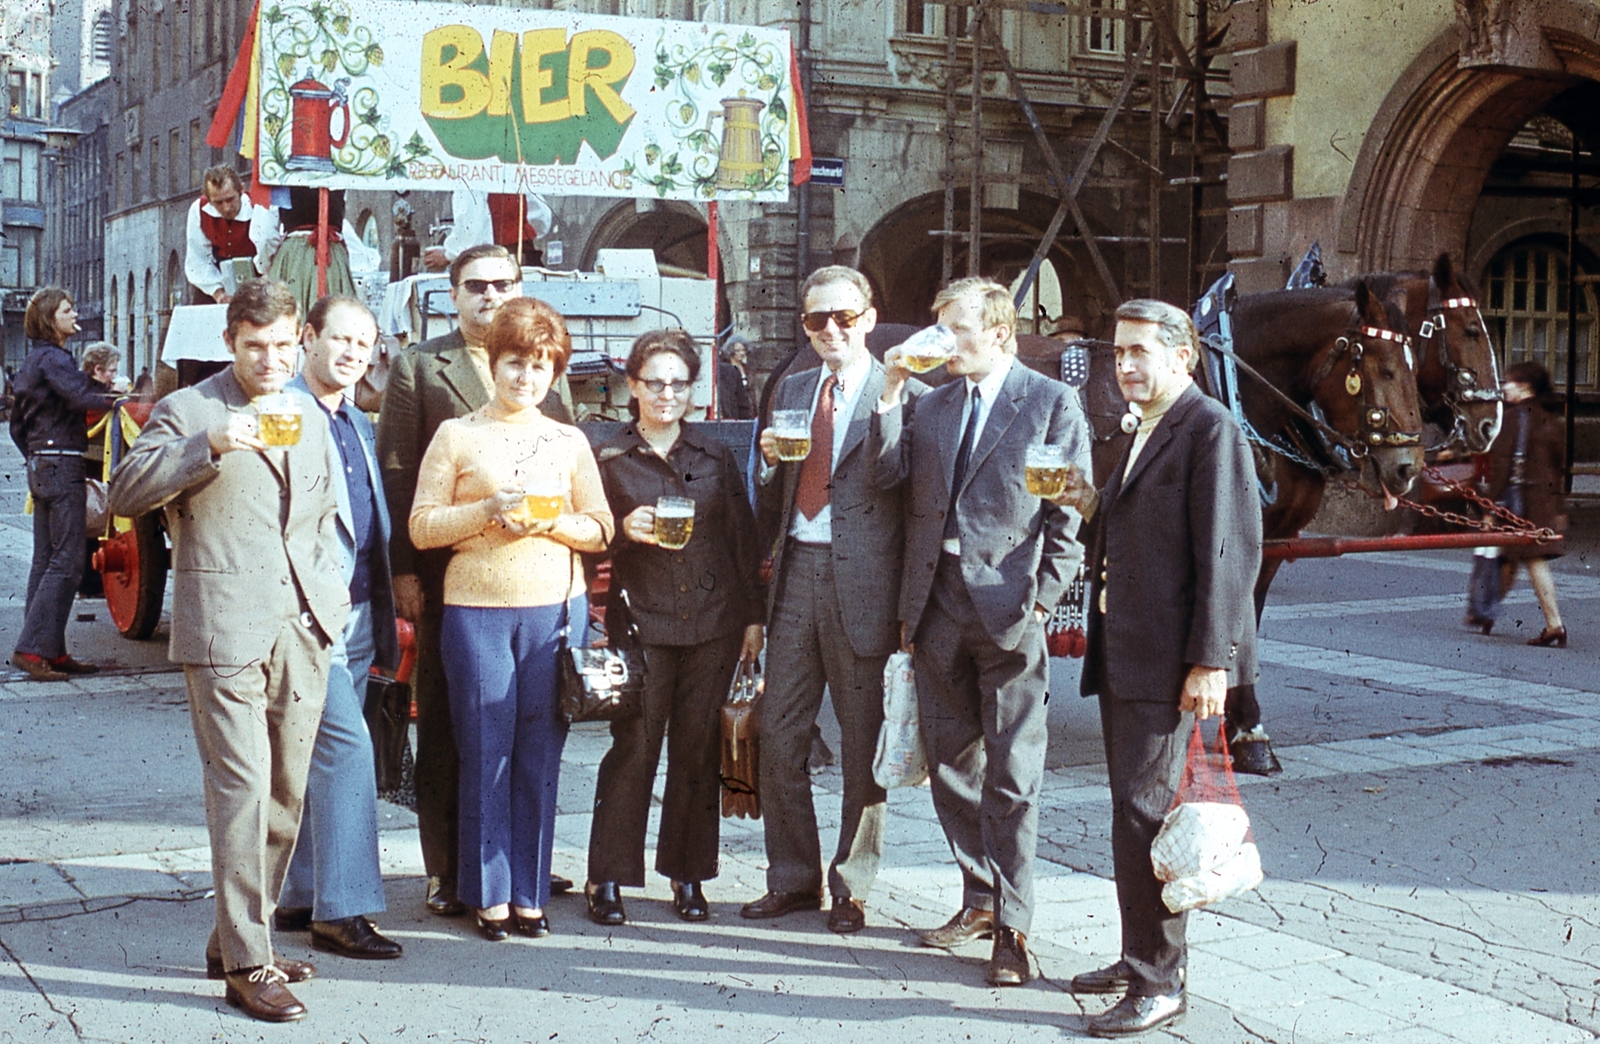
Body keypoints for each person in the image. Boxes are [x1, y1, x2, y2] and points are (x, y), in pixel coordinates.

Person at [106, 280, 349, 1023]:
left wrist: (330, 605)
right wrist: (207, 445)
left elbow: (325, 513)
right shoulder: (191, 409)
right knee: (242, 792)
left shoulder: (309, 410)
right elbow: (123, 491)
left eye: (283, 346)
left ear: (300, 339)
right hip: (225, 630)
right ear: (229, 343)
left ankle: (238, 936)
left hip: (302, 626)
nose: (271, 360)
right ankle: (248, 964)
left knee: (284, 795)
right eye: (255, 347)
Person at [872, 275, 1091, 986]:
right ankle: (979, 896)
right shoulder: (932, 404)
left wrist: (1040, 601)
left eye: (956, 330)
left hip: (1008, 611)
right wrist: (890, 391)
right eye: (937, 329)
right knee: (951, 768)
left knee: (1014, 777)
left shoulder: (1051, 402)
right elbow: (887, 475)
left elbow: (1071, 514)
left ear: (999, 333)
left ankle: (1015, 929)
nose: (943, 343)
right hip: (936, 609)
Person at [1055, 299, 1260, 1038]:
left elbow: (1227, 555)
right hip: (1129, 655)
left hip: (1169, 661)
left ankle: (1158, 979)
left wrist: (1213, 661)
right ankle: (1136, 954)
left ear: (1185, 356)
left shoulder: (1209, 429)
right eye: (1118, 353)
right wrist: (1085, 501)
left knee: (1147, 815)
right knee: (1131, 815)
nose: (1127, 366)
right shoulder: (1145, 427)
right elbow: (1130, 524)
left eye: (1141, 352)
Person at [375, 243, 574, 920]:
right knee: (450, 730)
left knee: (521, 733)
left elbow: (565, 447)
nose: (491, 294)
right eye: (476, 285)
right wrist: (404, 569)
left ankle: (512, 865)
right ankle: (446, 870)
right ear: (452, 294)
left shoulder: (542, 356)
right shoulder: (420, 365)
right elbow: (398, 476)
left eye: (504, 283)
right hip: (447, 580)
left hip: (534, 580)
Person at [409, 296, 613, 941]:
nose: (527, 377)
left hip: (555, 612)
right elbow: (421, 526)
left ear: (555, 373)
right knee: (485, 750)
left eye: (540, 365)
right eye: (515, 363)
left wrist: (552, 521)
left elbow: (601, 527)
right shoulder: (457, 434)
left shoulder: (569, 439)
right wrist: (488, 510)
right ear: (492, 364)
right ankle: (486, 892)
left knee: (539, 755)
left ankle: (529, 888)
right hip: (477, 613)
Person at [745, 265, 922, 934]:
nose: (830, 330)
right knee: (780, 737)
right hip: (796, 577)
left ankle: (851, 884)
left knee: (859, 746)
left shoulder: (903, 390)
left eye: (843, 317)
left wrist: (909, 608)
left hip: (866, 588)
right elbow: (773, 496)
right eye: (817, 319)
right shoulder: (792, 388)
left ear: (869, 319)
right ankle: (791, 878)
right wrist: (765, 462)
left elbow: (907, 490)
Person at [586, 329, 764, 926]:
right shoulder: (607, 457)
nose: (666, 394)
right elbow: (581, 538)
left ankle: (688, 876)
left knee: (695, 752)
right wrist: (618, 525)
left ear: (694, 390)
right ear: (632, 386)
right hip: (639, 622)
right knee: (633, 750)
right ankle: (607, 875)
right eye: (654, 382)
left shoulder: (714, 456)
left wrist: (753, 620)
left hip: (712, 622)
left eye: (678, 383)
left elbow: (742, 542)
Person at [274, 296, 404, 962]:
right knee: (348, 752)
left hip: (353, 615)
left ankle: (301, 896)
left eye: (365, 342)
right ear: (307, 338)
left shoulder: (355, 419)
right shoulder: (287, 414)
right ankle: (344, 909)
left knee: (316, 758)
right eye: (341, 339)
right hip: (305, 620)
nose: (353, 353)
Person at [8, 289, 116, 681]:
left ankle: (47, 649)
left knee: (46, 559)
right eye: (68, 311)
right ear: (51, 319)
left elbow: (18, 426)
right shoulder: (55, 359)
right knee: (68, 561)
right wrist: (115, 394)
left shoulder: (34, 361)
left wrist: (37, 455)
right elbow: (80, 394)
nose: (75, 315)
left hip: (41, 464)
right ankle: (34, 649)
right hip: (63, 464)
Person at [1478, 360, 1568, 647]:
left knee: (1528, 559)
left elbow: (1500, 467)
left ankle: (1554, 624)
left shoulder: (1512, 418)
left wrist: (1490, 509)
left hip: (1518, 505)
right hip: (1542, 503)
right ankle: (1487, 612)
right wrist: (1559, 508)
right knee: (1512, 559)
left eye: (1509, 383)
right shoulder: (1550, 420)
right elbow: (1559, 467)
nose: (1504, 387)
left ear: (1524, 387)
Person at [184, 166, 275, 304]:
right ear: (208, 199)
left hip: (256, 278)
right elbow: (197, 259)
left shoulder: (257, 206)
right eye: (218, 202)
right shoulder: (198, 210)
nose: (226, 208)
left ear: (241, 190)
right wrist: (218, 293)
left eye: (230, 199)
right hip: (216, 277)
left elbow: (267, 246)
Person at [265, 187, 358, 320]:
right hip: (333, 255)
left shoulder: (281, 169)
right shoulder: (342, 168)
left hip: (295, 256)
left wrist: (266, 266)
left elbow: (265, 234)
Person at [425, 187, 553, 270]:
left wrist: (448, 254)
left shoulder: (472, 170)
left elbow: (471, 228)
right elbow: (541, 216)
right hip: (526, 257)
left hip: (495, 264)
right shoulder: (512, 166)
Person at [717, 337, 754, 420]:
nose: (741, 353)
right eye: (738, 350)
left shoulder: (747, 369)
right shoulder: (726, 370)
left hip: (749, 408)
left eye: (743, 350)